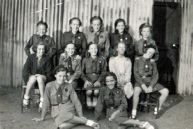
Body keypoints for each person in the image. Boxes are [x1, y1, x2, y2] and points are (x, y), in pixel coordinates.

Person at [32, 65, 100, 129]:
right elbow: (46, 102)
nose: (62, 78)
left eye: (64, 76)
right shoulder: (49, 86)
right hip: (56, 110)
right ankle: (80, 121)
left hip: (68, 107)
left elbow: (76, 101)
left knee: (63, 114)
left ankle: (86, 122)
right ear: (55, 75)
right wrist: (42, 117)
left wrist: (80, 115)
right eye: (60, 76)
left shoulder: (69, 86)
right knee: (61, 126)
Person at [132, 45, 169, 119]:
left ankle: (157, 109)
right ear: (145, 50)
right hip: (140, 82)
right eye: (149, 52)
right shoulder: (137, 60)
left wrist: (151, 86)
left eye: (152, 53)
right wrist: (142, 85)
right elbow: (136, 74)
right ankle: (134, 112)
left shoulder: (153, 62)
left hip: (150, 82)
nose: (151, 54)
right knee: (136, 91)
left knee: (165, 91)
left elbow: (156, 75)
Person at [22, 43, 53, 110]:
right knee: (33, 78)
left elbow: (50, 72)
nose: (41, 51)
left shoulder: (47, 58)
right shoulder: (31, 57)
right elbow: (26, 70)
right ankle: (26, 97)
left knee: (39, 78)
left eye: (43, 49)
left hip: (43, 80)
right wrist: (28, 78)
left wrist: (41, 75)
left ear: (45, 50)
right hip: (32, 80)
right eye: (39, 49)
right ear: (36, 49)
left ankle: (42, 100)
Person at [81, 42, 106, 108]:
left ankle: (95, 98)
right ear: (88, 50)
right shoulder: (85, 60)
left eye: (95, 48)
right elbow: (81, 72)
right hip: (88, 79)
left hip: (98, 79)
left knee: (96, 92)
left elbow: (104, 72)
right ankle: (88, 97)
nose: (94, 50)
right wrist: (85, 80)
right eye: (91, 49)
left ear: (97, 50)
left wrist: (99, 81)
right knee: (89, 92)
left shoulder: (102, 59)